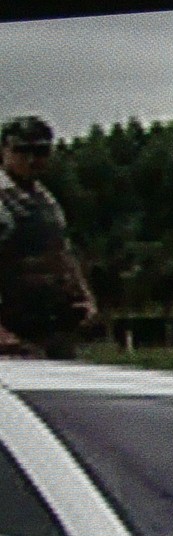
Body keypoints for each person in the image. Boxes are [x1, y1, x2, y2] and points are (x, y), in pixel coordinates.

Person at [0, 116, 97, 360]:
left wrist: (84, 296)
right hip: (10, 327)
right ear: (4, 150)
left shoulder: (46, 201)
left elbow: (62, 252)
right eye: (22, 151)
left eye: (40, 151)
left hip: (52, 323)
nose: (32, 159)